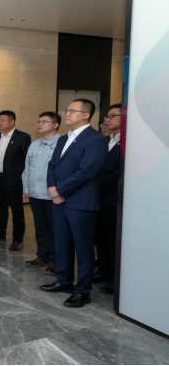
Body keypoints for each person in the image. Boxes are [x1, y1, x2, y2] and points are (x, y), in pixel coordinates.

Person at [40, 99, 107, 308]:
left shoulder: (96, 139)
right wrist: (52, 188)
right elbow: (52, 166)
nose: (67, 114)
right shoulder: (63, 139)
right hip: (59, 201)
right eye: (66, 110)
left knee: (83, 248)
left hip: (81, 202)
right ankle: (63, 280)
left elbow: (87, 171)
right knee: (62, 243)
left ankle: (83, 290)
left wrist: (60, 190)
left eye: (72, 111)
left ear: (86, 115)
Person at [22, 112, 61, 276]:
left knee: (55, 229)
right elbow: (27, 169)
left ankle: (55, 260)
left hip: (54, 195)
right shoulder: (34, 145)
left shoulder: (62, 143)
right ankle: (42, 255)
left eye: (44, 121)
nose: (40, 124)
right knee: (40, 227)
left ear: (56, 124)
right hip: (36, 193)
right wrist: (26, 189)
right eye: (38, 121)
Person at [95, 104, 122, 295]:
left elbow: (120, 172)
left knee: (113, 239)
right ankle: (103, 271)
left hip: (113, 198)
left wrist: (96, 183)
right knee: (100, 237)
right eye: (107, 116)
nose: (107, 119)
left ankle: (115, 278)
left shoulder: (128, 142)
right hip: (97, 198)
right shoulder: (104, 140)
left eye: (112, 116)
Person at [0, 110, 31, 251]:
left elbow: (26, 160)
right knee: (0, 208)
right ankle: (0, 233)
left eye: (3, 120)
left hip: (14, 179)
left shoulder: (22, 137)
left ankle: (17, 239)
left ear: (12, 121)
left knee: (17, 211)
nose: (0, 122)